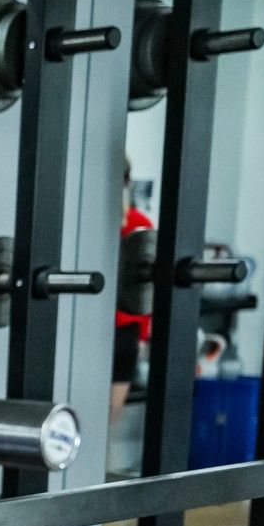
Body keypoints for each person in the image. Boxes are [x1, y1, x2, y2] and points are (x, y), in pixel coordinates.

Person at [115, 155, 155, 423]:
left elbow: (147, 286)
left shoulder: (138, 226)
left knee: (100, 425)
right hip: (110, 332)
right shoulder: (139, 224)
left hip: (122, 334)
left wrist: (141, 335)